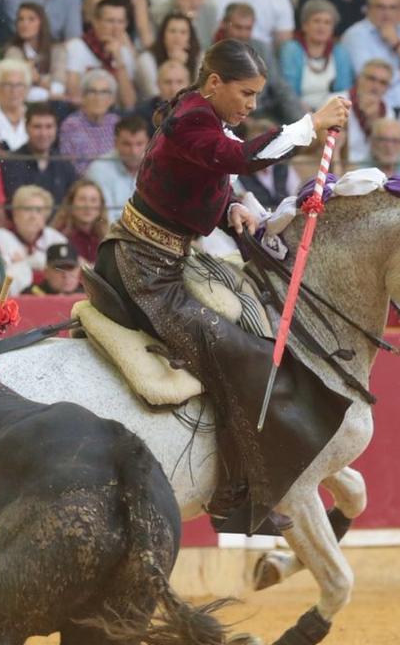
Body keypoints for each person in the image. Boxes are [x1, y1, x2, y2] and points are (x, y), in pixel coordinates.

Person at [94, 38, 351, 532]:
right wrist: (309, 126)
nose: (252, 105)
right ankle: (234, 496)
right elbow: (239, 158)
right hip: (145, 272)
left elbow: (210, 172)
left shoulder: (198, 114)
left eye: (257, 96)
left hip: (162, 259)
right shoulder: (193, 119)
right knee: (248, 359)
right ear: (215, 83)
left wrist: (228, 204)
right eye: (246, 94)